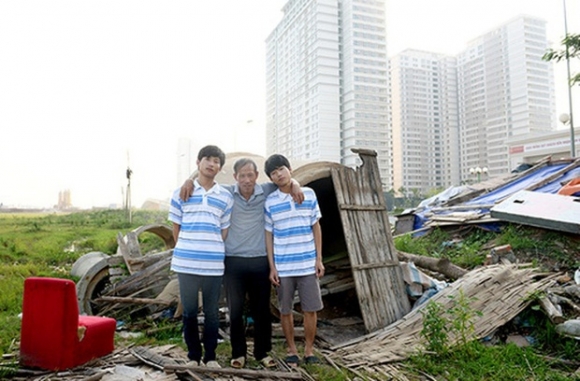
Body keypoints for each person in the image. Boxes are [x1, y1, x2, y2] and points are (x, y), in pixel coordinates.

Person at [179, 157, 303, 369]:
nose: (246, 180)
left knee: (261, 311)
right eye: (242, 176)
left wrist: (297, 184)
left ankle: (262, 352)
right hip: (233, 263)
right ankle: (239, 353)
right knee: (235, 311)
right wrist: (188, 182)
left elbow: (287, 181)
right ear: (235, 177)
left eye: (250, 175)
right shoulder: (226, 192)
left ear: (257, 176)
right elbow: (204, 181)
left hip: (259, 261)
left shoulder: (267, 190)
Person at [169, 145, 234, 368]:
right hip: (186, 263)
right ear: (198, 162)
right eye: (207, 159)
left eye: (216, 161)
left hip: (213, 264)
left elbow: (223, 230)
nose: (211, 164)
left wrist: (209, 246)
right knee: (188, 312)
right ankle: (193, 357)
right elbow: (175, 228)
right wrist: (188, 247)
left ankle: (211, 357)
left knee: (211, 312)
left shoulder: (225, 196)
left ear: (220, 167)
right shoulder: (182, 192)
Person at [263, 154, 324, 367]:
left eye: (281, 169)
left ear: (289, 169)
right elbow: (269, 235)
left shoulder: (308, 194)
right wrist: (272, 266)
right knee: (285, 310)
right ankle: (291, 349)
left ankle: (309, 349)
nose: (278, 174)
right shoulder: (270, 201)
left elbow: (316, 227)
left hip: (307, 264)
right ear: (271, 178)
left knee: (310, 309)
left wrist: (319, 259)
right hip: (283, 266)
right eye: (273, 172)